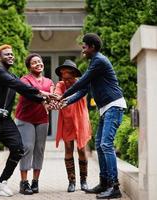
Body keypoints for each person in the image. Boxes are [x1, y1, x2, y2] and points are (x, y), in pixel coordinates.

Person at [0, 44, 51, 198]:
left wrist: (46, 99)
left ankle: (1, 183)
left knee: (18, 149)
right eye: (6, 54)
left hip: (5, 120)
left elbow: (25, 92)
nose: (10, 56)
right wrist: (41, 92)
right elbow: (17, 85)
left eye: (11, 54)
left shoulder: (14, 76)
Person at [57, 33, 127, 199]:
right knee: (99, 144)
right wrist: (65, 102)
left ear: (92, 47)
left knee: (106, 145)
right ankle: (104, 183)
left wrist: (62, 95)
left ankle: (114, 186)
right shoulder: (94, 63)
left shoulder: (99, 61)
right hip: (106, 109)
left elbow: (81, 82)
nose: (82, 49)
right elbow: (83, 90)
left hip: (114, 105)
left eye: (84, 46)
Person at [14, 53, 54, 195]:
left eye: (40, 61)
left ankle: (35, 181)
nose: (38, 64)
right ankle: (24, 182)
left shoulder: (49, 82)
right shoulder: (24, 80)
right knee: (27, 147)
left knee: (40, 149)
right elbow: (30, 93)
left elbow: (51, 99)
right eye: (34, 62)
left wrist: (52, 103)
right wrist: (45, 96)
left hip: (42, 119)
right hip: (25, 118)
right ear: (29, 66)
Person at [53, 59, 92, 193]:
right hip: (67, 120)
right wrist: (56, 98)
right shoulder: (60, 84)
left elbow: (77, 95)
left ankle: (84, 180)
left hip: (80, 119)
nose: (67, 81)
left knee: (81, 149)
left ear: (74, 75)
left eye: (69, 78)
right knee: (68, 148)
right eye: (64, 78)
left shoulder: (81, 84)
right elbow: (57, 94)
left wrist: (64, 98)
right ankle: (72, 181)